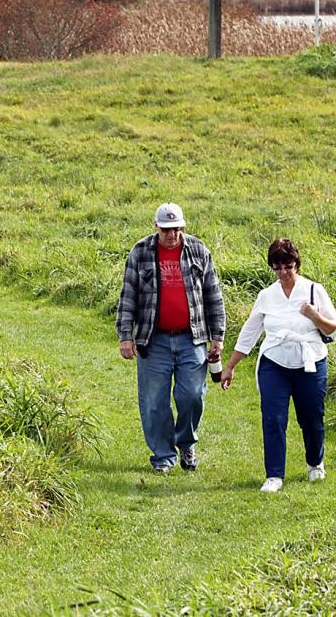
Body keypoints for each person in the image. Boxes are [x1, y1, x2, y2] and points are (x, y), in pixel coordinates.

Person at [220, 238, 336, 494]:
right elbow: (249, 333)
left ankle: (315, 463)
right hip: (274, 362)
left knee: (311, 418)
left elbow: (334, 329)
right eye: (277, 267)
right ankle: (274, 475)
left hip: (310, 362)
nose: (283, 273)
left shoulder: (313, 290)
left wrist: (314, 315)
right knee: (273, 418)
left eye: (288, 266)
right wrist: (230, 366)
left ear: (297, 264)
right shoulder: (266, 296)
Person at [117, 203, 226, 474]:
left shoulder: (198, 250)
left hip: (193, 338)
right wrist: (125, 336)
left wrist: (218, 336)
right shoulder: (140, 252)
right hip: (153, 340)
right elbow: (128, 295)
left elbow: (213, 294)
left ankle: (186, 442)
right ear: (156, 227)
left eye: (176, 229)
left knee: (192, 395)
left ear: (183, 227)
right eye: (166, 229)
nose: (171, 234)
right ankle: (163, 457)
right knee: (154, 401)